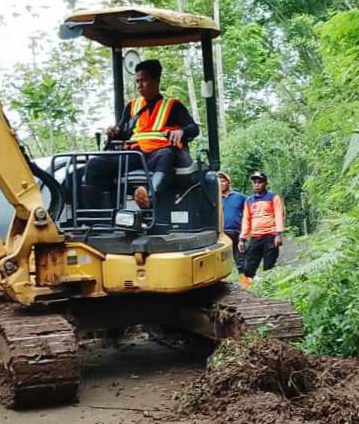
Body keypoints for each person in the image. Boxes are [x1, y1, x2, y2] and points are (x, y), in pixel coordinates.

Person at [85, 59, 199, 209]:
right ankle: (97, 217)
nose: (139, 85)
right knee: (94, 164)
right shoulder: (132, 106)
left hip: (157, 155)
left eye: (143, 81)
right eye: (137, 81)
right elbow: (122, 132)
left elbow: (194, 129)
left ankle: (148, 196)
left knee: (167, 154)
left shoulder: (173, 106)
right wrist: (113, 133)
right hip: (134, 154)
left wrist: (182, 131)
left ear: (156, 80)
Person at [238, 171, 285, 283]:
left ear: (265, 183)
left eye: (259, 182)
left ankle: (269, 289)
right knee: (248, 266)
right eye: (254, 182)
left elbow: (279, 215)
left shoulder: (273, 197)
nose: (257, 184)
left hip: (270, 235)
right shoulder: (249, 200)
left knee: (269, 265)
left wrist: (279, 234)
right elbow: (246, 220)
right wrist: (242, 238)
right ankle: (245, 288)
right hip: (256, 236)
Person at [218, 171, 248, 285]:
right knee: (221, 260)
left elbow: (250, 210)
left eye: (223, 181)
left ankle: (245, 283)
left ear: (228, 182)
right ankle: (220, 286)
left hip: (238, 233)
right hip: (222, 235)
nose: (221, 183)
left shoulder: (239, 197)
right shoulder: (215, 199)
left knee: (241, 260)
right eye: (219, 181)